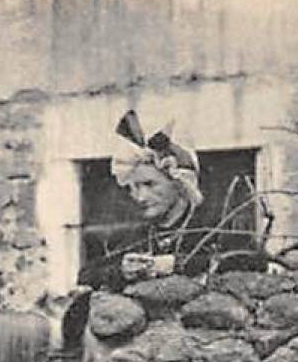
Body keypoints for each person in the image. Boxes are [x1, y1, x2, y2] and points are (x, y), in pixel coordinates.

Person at [78, 110, 265, 292]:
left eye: (150, 184)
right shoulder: (141, 236)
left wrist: (177, 263)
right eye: (132, 188)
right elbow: (86, 274)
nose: (140, 197)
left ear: (178, 182)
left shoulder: (214, 227)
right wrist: (121, 270)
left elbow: (252, 261)